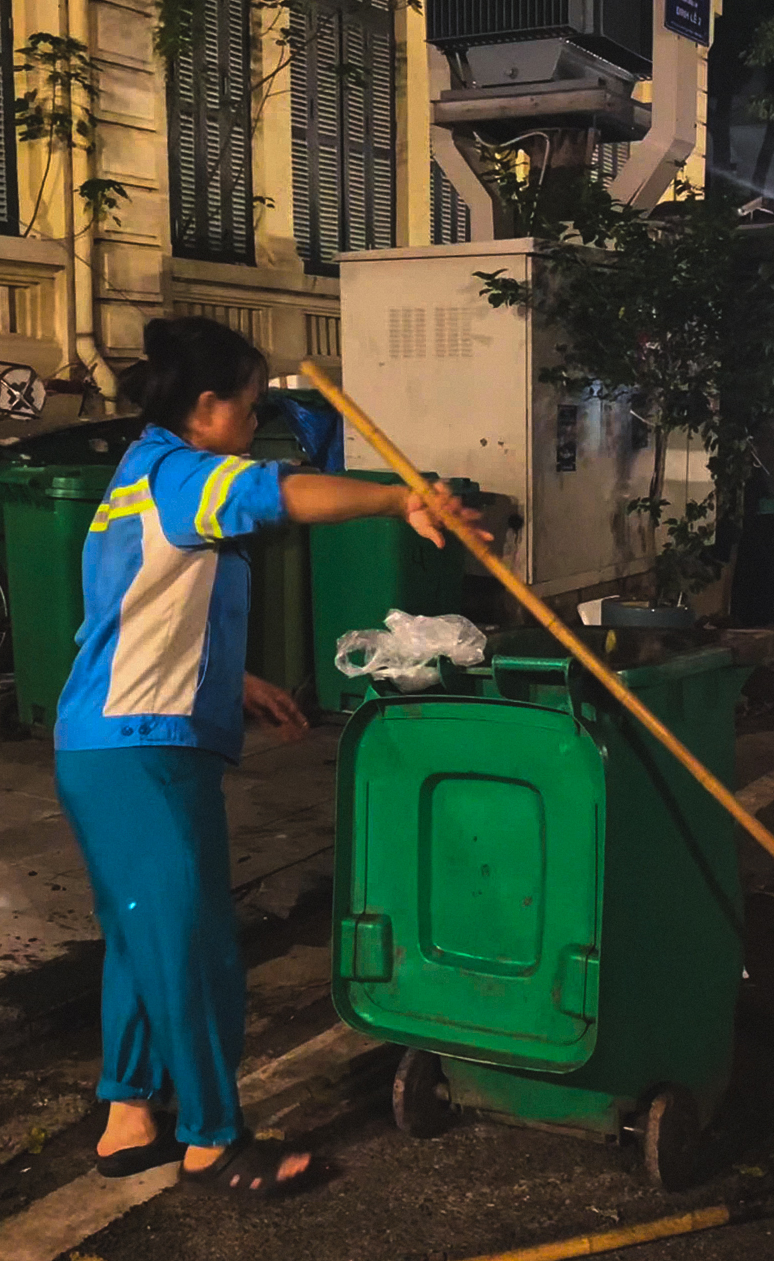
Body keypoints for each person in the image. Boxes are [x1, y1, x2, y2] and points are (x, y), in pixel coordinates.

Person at [52, 316, 480, 1195]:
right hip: (139, 752)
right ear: (206, 409)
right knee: (193, 943)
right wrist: (397, 499)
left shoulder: (139, 475)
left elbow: (137, 608)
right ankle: (214, 1139)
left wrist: (233, 678)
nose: (255, 421)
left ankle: (128, 1116)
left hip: (109, 741)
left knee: (143, 938)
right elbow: (279, 496)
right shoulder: (183, 476)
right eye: (247, 406)